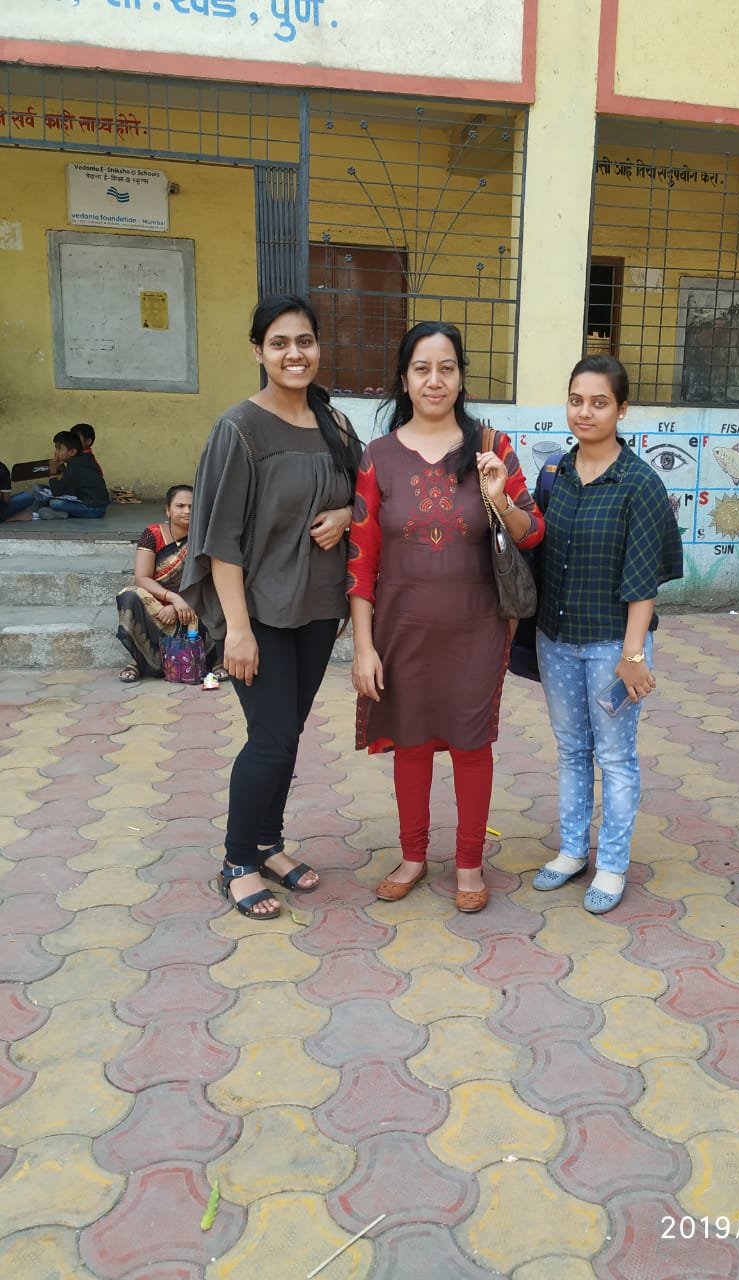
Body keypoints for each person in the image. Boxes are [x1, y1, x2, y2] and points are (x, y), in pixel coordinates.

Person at [348, 321, 543, 912]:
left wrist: (497, 495)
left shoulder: (491, 446)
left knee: (470, 745)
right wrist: (362, 646)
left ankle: (467, 864)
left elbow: (532, 532)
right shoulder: (377, 456)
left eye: (447, 368)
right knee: (409, 743)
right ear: (404, 380)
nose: (436, 381)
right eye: (422, 369)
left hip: (478, 626)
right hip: (399, 628)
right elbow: (360, 558)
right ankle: (412, 856)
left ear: (461, 376)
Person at [180, 294, 362, 920]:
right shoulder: (239, 429)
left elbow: (364, 495)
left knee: (287, 735)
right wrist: (235, 629)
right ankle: (236, 861)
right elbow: (219, 537)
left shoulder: (334, 424)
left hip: (315, 608)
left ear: (317, 347)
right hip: (255, 613)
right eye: (280, 343)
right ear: (258, 351)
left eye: (305, 341)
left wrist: (344, 514)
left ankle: (268, 843)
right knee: (271, 736)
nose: (294, 354)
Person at [532, 355, 683, 915]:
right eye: (576, 400)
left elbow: (643, 580)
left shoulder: (640, 483)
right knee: (572, 750)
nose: (585, 412)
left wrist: (633, 654)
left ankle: (613, 863)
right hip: (557, 639)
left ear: (621, 409)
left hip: (613, 647)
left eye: (599, 402)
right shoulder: (556, 473)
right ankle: (572, 851)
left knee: (616, 756)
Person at [115, 484, 221, 684]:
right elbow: (142, 578)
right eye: (180, 506)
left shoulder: (207, 536)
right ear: (168, 509)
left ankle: (217, 660)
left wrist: (184, 602)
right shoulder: (153, 534)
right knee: (129, 596)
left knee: (222, 595)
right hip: (159, 603)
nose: (187, 511)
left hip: (197, 602)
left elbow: (213, 579)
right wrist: (172, 599)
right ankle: (138, 661)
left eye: (192, 506)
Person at [34, 430, 109, 519]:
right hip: (83, 499)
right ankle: (62, 513)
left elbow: (57, 491)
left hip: (94, 509)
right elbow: (68, 486)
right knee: (39, 488)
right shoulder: (81, 460)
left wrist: (53, 472)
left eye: (60, 449)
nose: (56, 452)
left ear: (72, 452)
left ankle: (63, 513)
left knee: (55, 503)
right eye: (56, 448)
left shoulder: (76, 466)